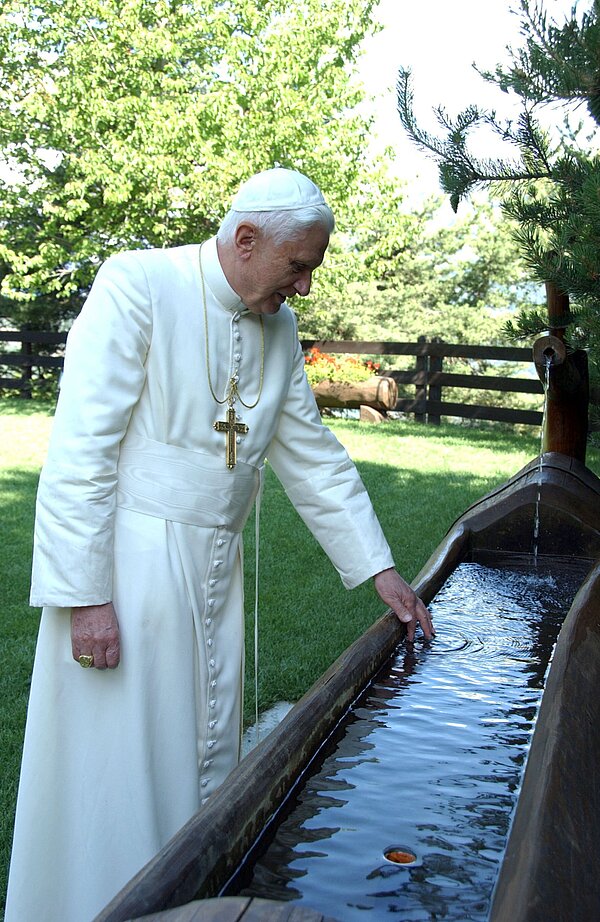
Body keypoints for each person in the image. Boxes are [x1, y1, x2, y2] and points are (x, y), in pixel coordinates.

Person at [5, 168, 434, 922]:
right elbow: (79, 453)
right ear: (244, 240)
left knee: (199, 764)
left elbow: (312, 454)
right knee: (118, 768)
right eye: (297, 265)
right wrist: (86, 598)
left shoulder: (279, 329)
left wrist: (381, 570)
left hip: (213, 574)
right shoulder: (136, 284)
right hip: (128, 575)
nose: (303, 286)